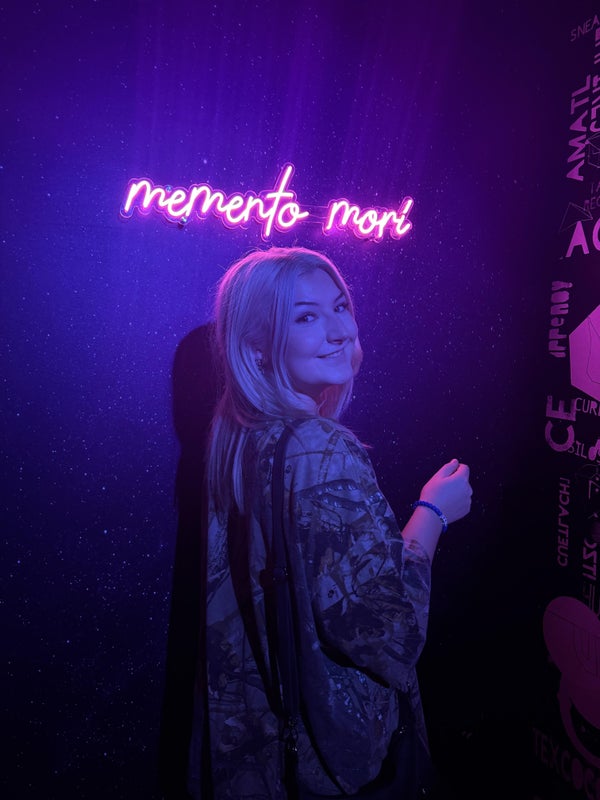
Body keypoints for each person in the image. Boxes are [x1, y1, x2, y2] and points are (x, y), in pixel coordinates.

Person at [187, 246, 472, 799]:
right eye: (305, 317)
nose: (340, 331)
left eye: (340, 307)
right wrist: (434, 512)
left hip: (261, 752)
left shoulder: (238, 436)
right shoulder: (319, 448)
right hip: (334, 766)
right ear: (256, 347)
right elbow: (388, 634)